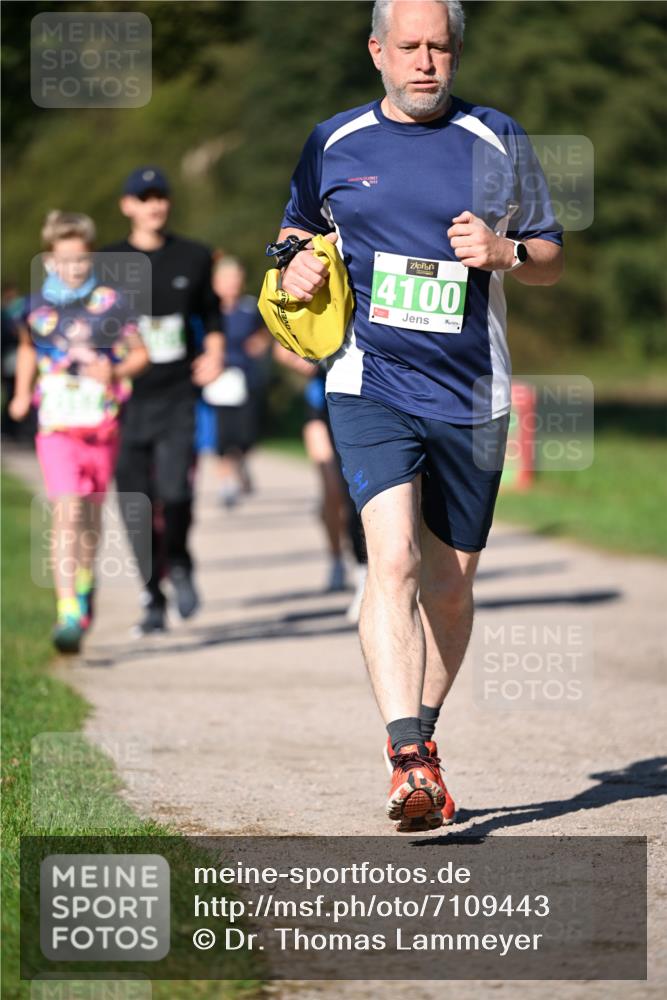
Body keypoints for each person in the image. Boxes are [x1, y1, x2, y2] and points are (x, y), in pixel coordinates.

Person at [274, 0, 563, 831]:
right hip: (369, 379)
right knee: (392, 557)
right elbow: (296, 230)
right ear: (377, 51)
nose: (425, 61)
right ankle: (406, 755)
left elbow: (547, 252)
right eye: (409, 46)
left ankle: (423, 747)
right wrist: (294, 268)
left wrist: (506, 252)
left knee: (448, 582)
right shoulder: (333, 142)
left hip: (472, 389)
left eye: (440, 46)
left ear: (458, 51)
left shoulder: (497, 138)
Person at [9, 211, 149, 653]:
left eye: (81, 260)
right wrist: (19, 393)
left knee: (89, 518)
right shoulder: (34, 308)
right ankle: (67, 609)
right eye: (65, 260)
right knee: (67, 511)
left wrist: (115, 368)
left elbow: (139, 356)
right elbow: (28, 351)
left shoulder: (112, 303)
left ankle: (85, 582)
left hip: (101, 425)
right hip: (56, 427)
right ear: (50, 259)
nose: (73, 268)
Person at [103, 167, 224, 635]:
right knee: (136, 504)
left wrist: (214, 354)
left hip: (177, 396)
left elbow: (211, 316)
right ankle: (153, 597)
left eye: (161, 196)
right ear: (127, 205)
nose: (155, 204)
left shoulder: (193, 256)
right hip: (125, 402)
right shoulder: (107, 260)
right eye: (144, 197)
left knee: (176, 495)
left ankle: (180, 558)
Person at [274, 346, 368, 606]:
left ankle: (364, 573)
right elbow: (280, 348)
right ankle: (337, 559)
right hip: (320, 405)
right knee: (333, 490)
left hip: (360, 399)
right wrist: (301, 361)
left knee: (354, 493)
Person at [209, 256, 270, 508]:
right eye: (226, 279)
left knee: (246, 436)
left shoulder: (250, 307)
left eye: (235, 278)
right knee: (223, 436)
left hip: (246, 379)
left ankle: (241, 461)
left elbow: (268, 332)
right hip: (217, 380)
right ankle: (227, 485)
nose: (231, 284)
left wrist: (260, 343)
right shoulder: (208, 310)